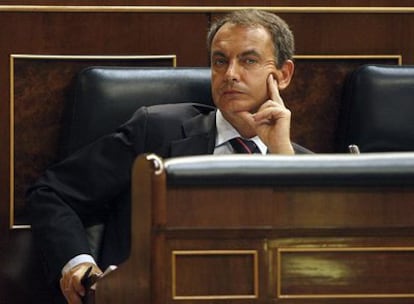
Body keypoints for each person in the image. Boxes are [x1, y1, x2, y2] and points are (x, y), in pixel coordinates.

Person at [27, 9, 310, 304]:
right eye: (220, 61)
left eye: (248, 60)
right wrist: (78, 262)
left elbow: (315, 259)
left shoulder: (304, 165)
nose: (230, 74)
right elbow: (51, 193)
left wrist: (282, 159)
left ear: (283, 75)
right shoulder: (157, 131)